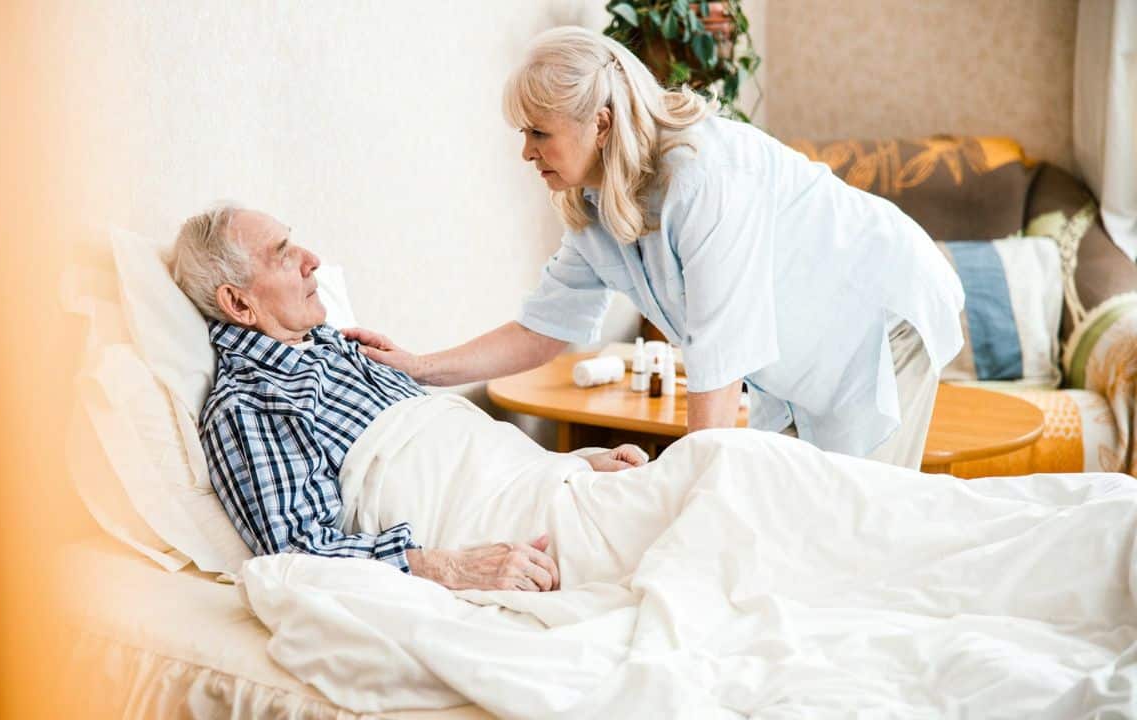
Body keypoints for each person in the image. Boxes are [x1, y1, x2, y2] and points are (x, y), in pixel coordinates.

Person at [343, 26, 965, 470]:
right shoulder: (594, 206)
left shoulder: (703, 175)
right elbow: (543, 330)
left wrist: (682, 498)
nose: (526, 152)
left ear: (602, 124)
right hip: (808, 353)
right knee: (798, 522)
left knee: (856, 527)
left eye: (539, 133)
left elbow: (718, 367)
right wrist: (418, 367)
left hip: (883, 317)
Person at [170, 204, 648, 592]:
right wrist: (452, 569)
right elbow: (300, 552)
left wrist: (575, 463)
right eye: (283, 254)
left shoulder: (344, 345)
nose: (311, 258)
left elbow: (461, 454)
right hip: (504, 528)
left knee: (701, 482)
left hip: (547, 485)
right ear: (238, 303)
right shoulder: (251, 403)